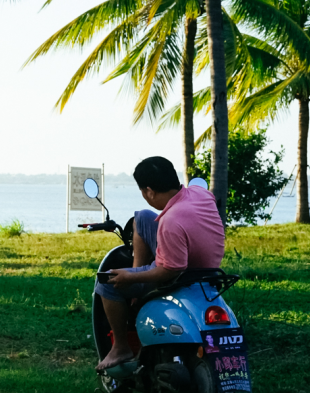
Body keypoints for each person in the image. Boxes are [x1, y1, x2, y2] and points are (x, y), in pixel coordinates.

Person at [94, 156, 225, 371]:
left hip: (184, 274)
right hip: (208, 267)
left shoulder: (170, 220)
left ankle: (121, 347)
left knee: (107, 283)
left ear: (150, 191)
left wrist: (131, 277)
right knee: (142, 218)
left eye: (143, 192)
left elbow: (172, 269)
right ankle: (137, 283)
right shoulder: (200, 194)